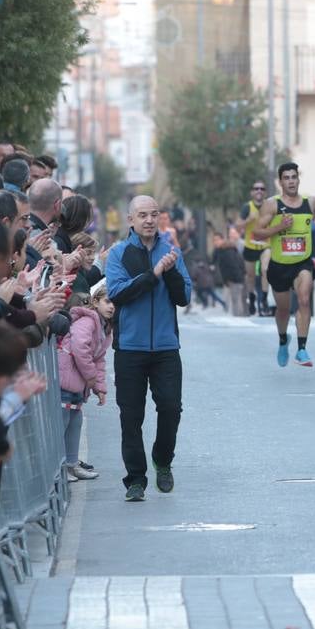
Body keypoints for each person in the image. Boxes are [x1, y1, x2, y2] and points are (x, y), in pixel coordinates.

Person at [105, 195, 192, 502]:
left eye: (154, 214)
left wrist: (168, 272)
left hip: (166, 346)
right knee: (131, 415)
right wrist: (154, 274)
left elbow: (183, 298)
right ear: (130, 220)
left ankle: (163, 459)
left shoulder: (172, 252)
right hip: (129, 347)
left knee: (171, 408)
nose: (149, 220)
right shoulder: (118, 253)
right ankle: (135, 479)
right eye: (142, 215)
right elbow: (118, 294)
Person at [249, 162, 315, 367]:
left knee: (303, 300)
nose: (291, 181)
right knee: (283, 310)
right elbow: (257, 232)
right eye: (287, 178)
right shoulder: (272, 205)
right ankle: (283, 339)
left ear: (298, 179)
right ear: (280, 181)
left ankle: (302, 349)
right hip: (279, 265)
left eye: (294, 177)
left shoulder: (310, 202)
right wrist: (279, 227)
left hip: (303, 262)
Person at [58, 281, 113, 483]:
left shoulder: (105, 327)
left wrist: (99, 387)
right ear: (96, 302)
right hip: (67, 377)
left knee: (75, 421)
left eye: (115, 303)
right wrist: (90, 377)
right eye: (107, 301)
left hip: (78, 382)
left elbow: (99, 358)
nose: (111, 307)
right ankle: (61, 467)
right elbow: (80, 347)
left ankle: (71, 465)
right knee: (62, 422)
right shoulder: (88, 321)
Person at [241, 180, 271, 315]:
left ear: (265, 192)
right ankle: (252, 297)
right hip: (250, 246)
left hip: (266, 245)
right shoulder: (247, 207)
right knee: (250, 276)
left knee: (265, 269)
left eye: (262, 189)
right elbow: (237, 225)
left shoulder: (270, 206)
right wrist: (248, 220)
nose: (259, 191)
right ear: (252, 192)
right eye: (256, 188)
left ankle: (264, 299)